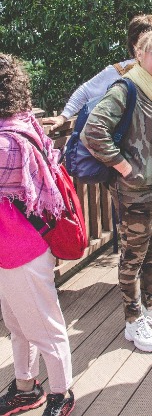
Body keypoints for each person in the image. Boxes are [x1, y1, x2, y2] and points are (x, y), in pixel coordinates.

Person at [43, 14, 152, 288]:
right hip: (130, 170)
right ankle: (133, 291)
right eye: (150, 46)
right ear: (137, 47)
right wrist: (64, 117)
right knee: (130, 230)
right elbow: (85, 97)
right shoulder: (118, 75)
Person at [80, 28, 152, 352]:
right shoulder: (127, 88)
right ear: (140, 54)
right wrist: (124, 167)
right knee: (132, 258)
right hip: (136, 191)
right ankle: (133, 319)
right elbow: (93, 130)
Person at [0, 54, 74, 416]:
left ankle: (61, 394)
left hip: (22, 248)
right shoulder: (22, 122)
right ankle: (26, 388)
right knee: (18, 324)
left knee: (44, 327)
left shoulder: (5, 143)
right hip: (16, 246)